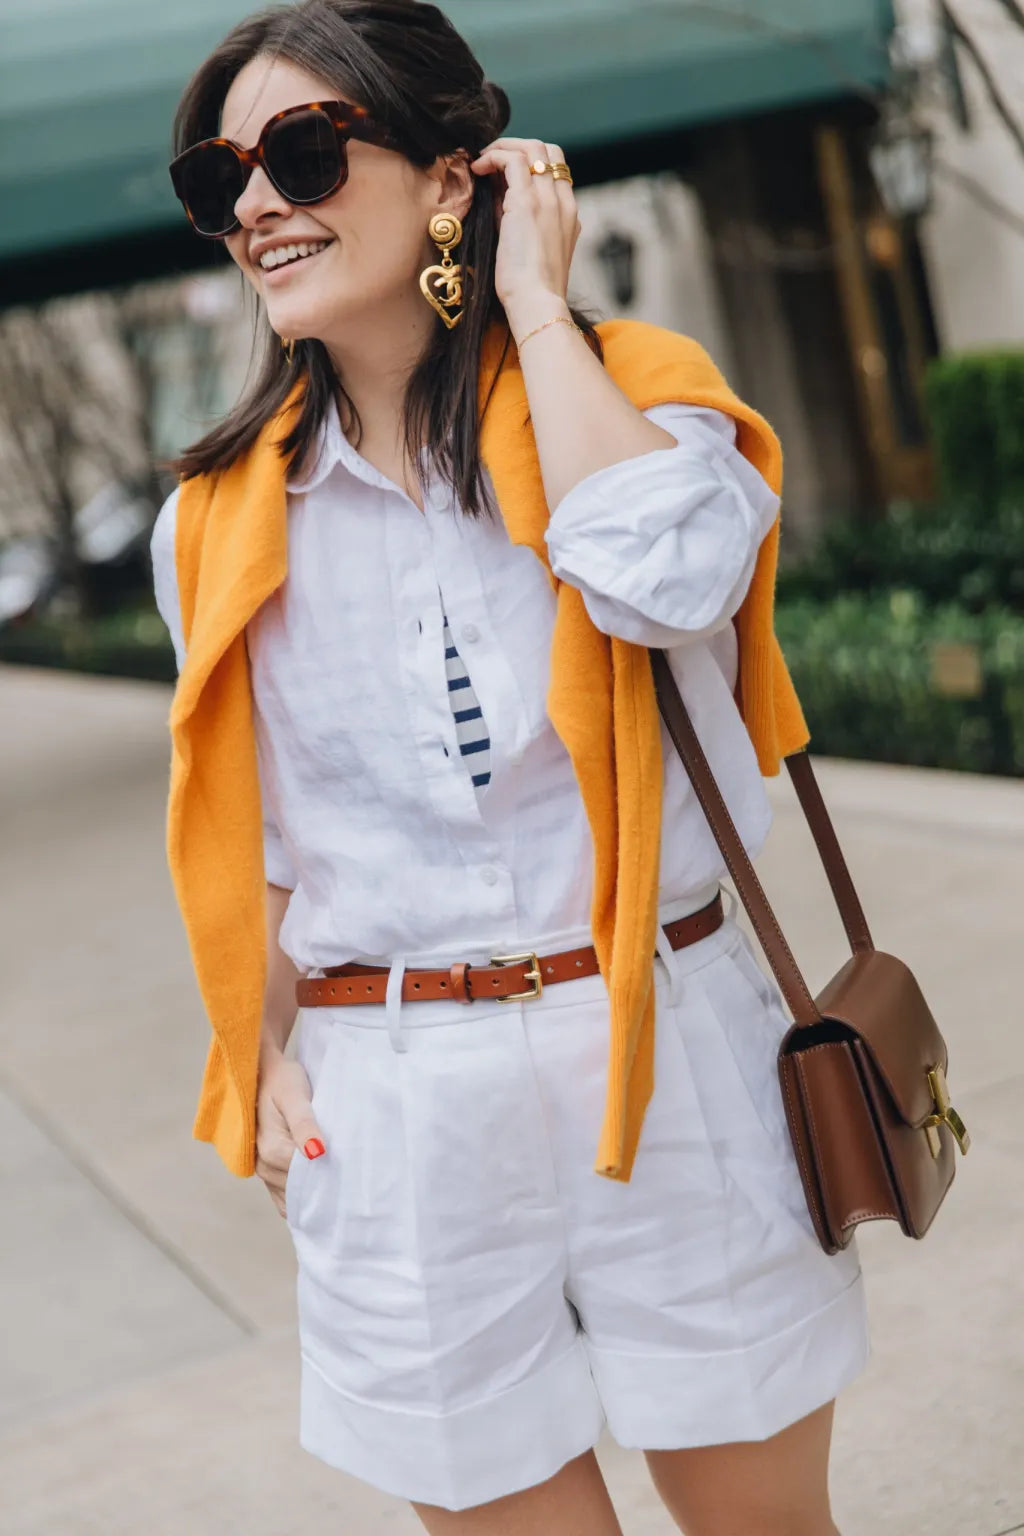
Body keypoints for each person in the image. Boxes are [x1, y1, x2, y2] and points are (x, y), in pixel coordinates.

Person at [150, 2, 868, 1531]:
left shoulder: (638, 393)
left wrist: (535, 308)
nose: (258, 204)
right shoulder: (212, 522)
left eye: (300, 153)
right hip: (398, 1100)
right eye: (222, 180)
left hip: (669, 1046)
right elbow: (268, 845)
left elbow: (664, 582)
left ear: (449, 177)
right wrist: (261, 1061)